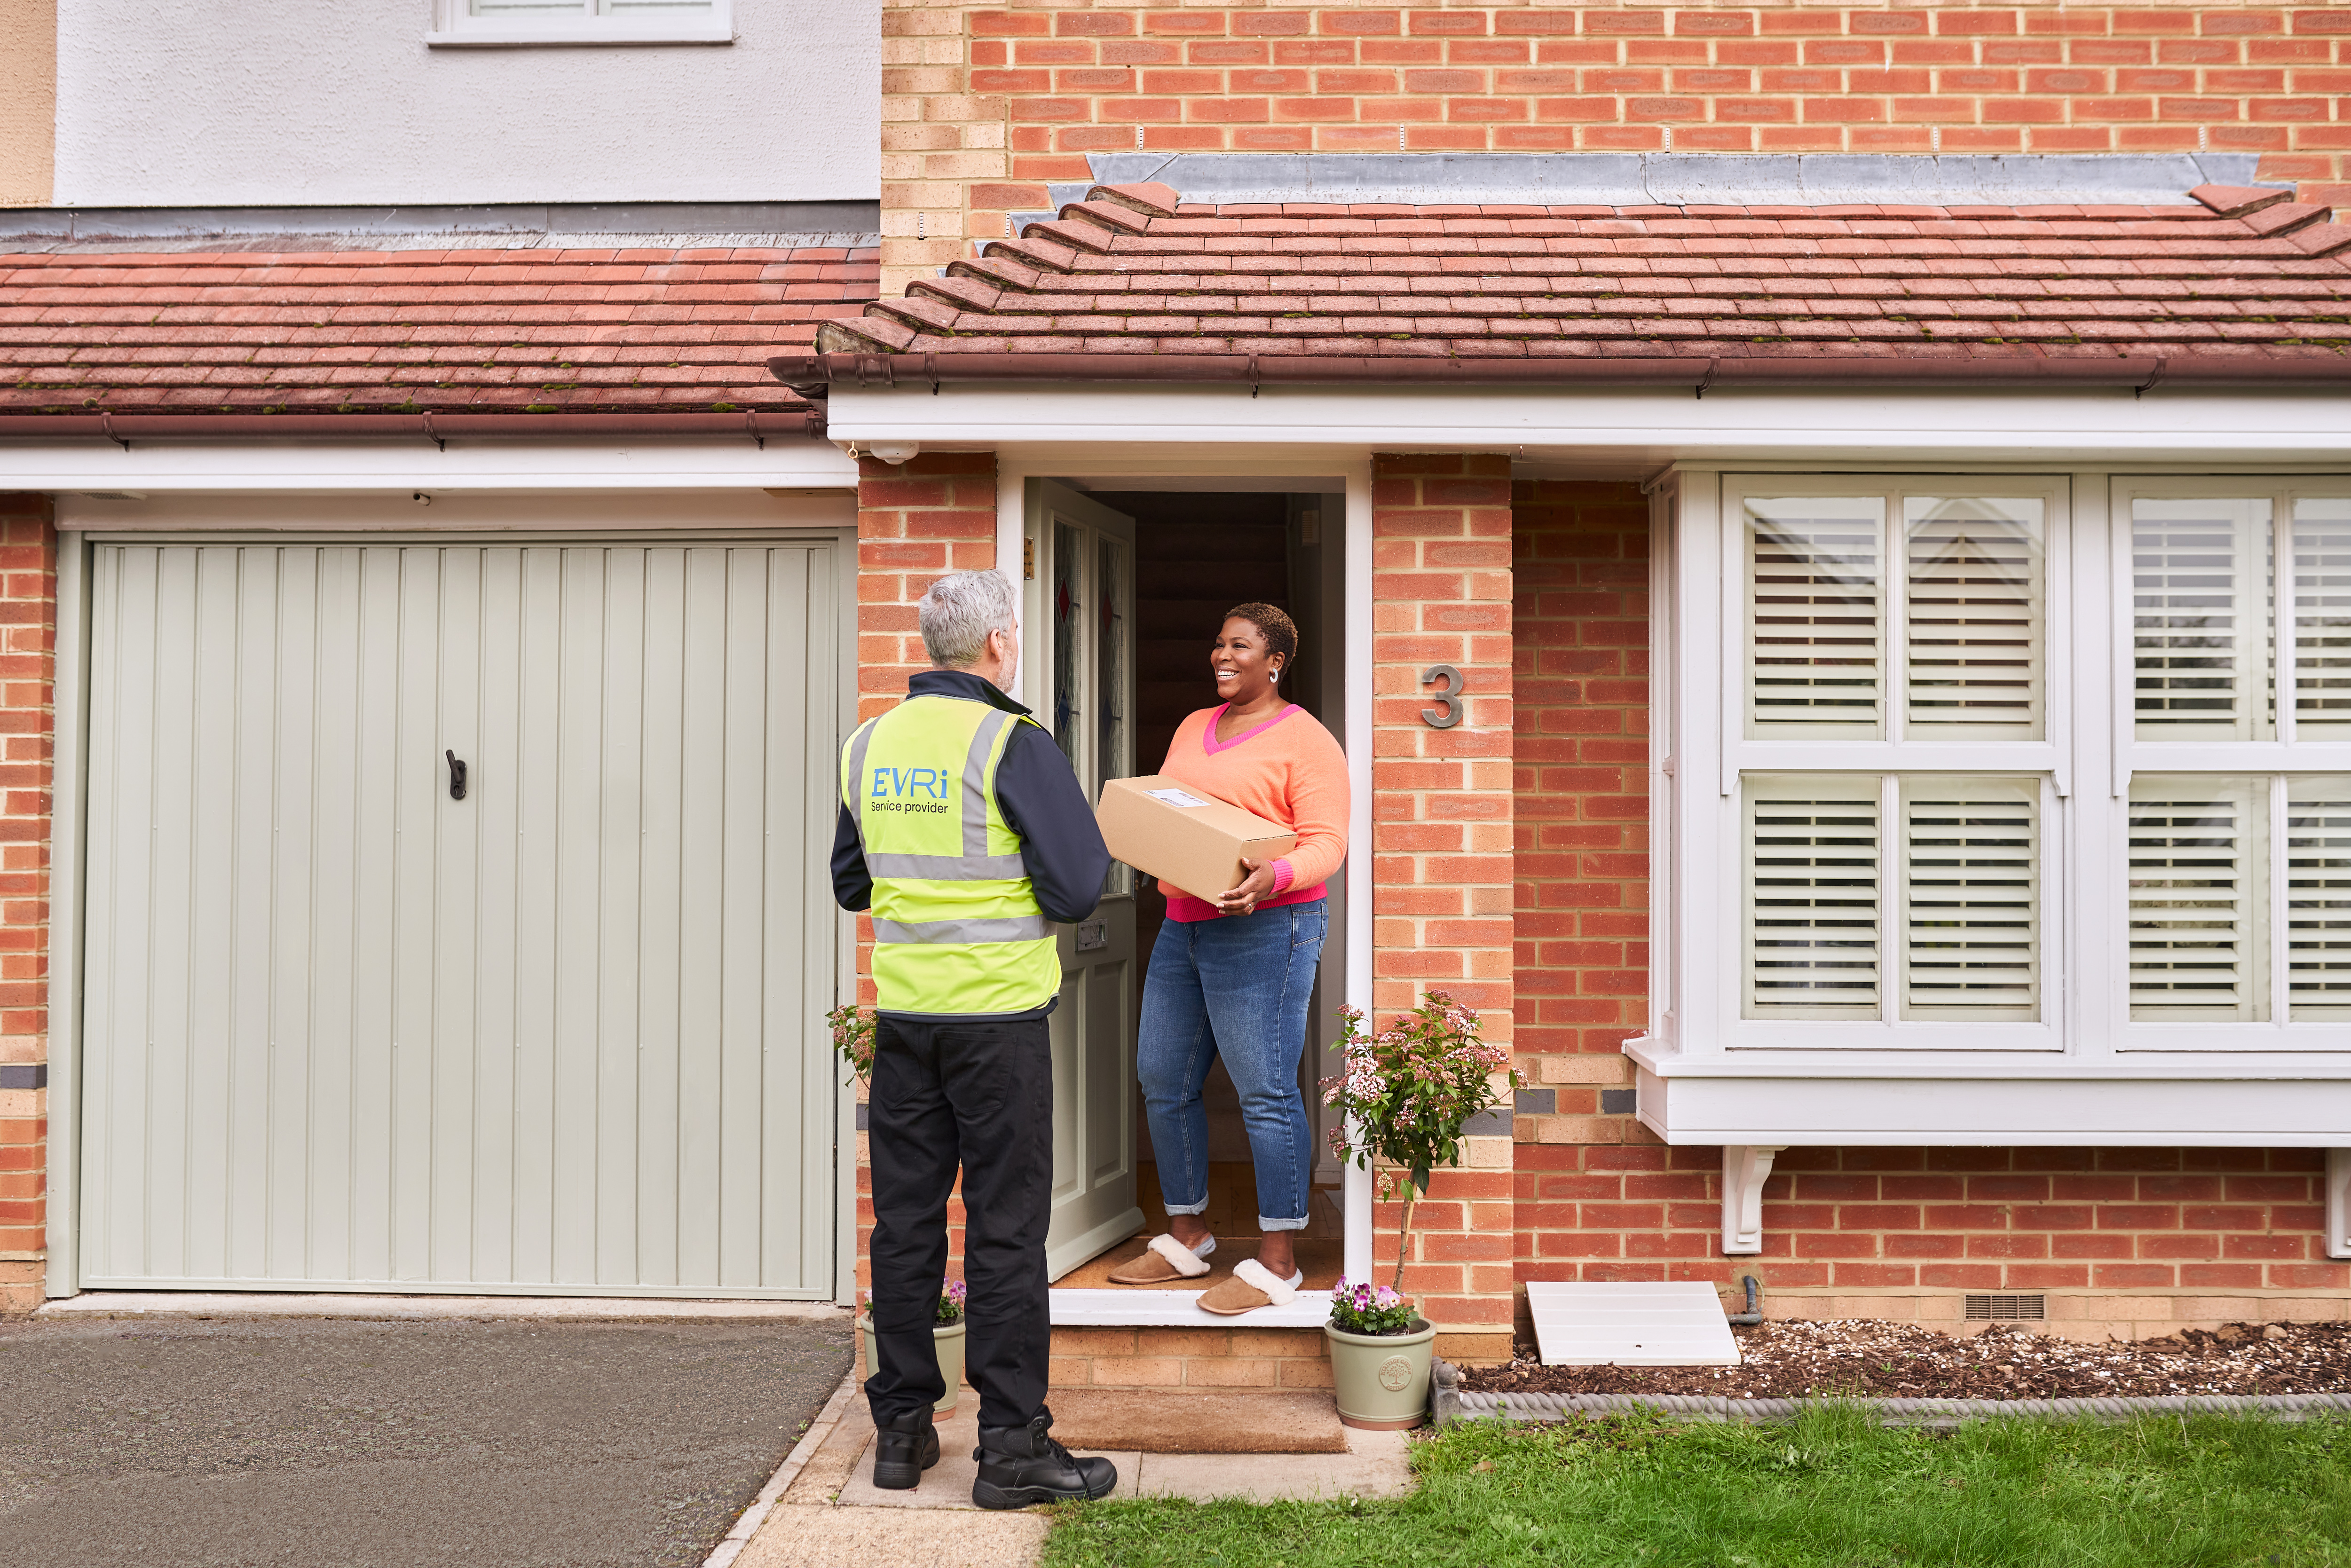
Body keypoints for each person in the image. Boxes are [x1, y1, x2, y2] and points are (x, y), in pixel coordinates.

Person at [832, 568, 1118, 1509]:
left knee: (906, 1228)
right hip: (996, 1027)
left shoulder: (867, 743)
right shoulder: (1012, 740)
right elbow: (1080, 889)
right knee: (1003, 1234)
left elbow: (852, 883)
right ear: (999, 644)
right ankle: (1009, 1452)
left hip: (906, 1022)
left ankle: (901, 1436)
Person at [1108, 602, 1348, 1316]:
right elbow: (1175, 813)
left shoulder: (1307, 741)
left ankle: (1278, 1262)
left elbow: (1327, 842)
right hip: (1185, 923)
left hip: (1270, 928)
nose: (1222, 655)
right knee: (1162, 1076)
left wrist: (1269, 877)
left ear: (1275, 660)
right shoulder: (1191, 727)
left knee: (1265, 1090)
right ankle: (1188, 1237)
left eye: (1239, 645)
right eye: (1218, 643)